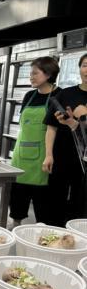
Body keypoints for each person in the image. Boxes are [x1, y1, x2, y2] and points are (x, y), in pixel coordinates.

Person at [8, 57, 61, 228]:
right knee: (17, 197)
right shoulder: (29, 95)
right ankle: (15, 226)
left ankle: (42, 232)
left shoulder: (59, 96)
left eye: (35, 73)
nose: (31, 77)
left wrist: (49, 155)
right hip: (21, 155)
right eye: (31, 74)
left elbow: (57, 129)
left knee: (43, 202)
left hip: (44, 157)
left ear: (48, 74)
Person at [42, 53, 87, 226]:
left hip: (84, 164)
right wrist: (48, 155)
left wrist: (82, 117)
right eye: (85, 65)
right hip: (62, 156)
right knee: (55, 200)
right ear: (79, 69)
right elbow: (51, 127)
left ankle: (75, 235)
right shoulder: (66, 94)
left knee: (80, 205)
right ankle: (53, 233)